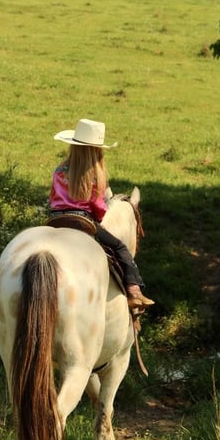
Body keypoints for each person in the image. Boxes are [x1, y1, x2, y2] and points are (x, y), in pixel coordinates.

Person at [49, 118, 154, 310]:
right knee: (120, 247)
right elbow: (98, 208)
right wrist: (99, 215)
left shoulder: (59, 170)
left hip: (55, 220)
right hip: (82, 221)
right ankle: (134, 291)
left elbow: (52, 198)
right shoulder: (95, 175)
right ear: (97, 150)